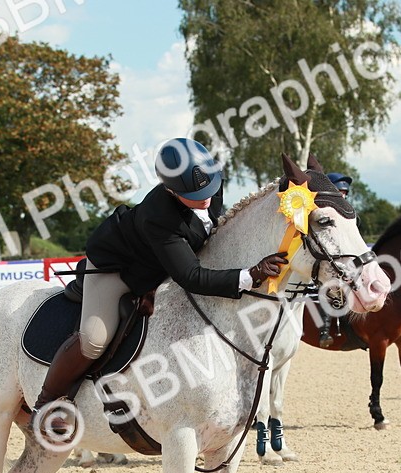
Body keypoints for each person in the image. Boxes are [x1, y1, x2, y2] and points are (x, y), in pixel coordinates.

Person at [30, 137, 287, 424]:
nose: (206, 196)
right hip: (120, 269)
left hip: (165, 263)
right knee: (94, 340)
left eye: (209, 187)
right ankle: (46, 403)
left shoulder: (209, 183)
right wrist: (249, 276)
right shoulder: (159, 216)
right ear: (170, 189)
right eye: (194, 193)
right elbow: (191, 277)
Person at [315, 173, 354, 346]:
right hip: (327, 260)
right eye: (340, 193)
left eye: (345, 193)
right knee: (331, 286)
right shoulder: (323, 214)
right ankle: (324, 330)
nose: (343, 196)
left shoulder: (349, 214)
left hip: (348, 259)